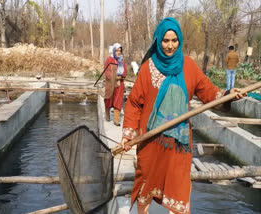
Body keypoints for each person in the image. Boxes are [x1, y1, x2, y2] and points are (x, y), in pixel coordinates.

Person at [120, 17, 244, 214]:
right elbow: (134, 103)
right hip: (151, 141)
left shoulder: (189, 66)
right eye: (165, 41)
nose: (170, 46)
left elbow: (208, 92)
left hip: (179, 145)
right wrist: (128, 134)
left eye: (174, 40)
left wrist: (228, 95)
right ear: (158, 41)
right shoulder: (147, 68)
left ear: (180, 41)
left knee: (179, 190)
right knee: (146, 188)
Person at [104, 43, 127, 126]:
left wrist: (121, 76)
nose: (118, 52)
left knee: (118, 101)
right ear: (114, 51)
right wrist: (113, 77)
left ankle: (116, 120)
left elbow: (125, 71)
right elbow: (107, 71)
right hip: (110, 84)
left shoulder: (121, 60)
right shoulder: (109, 60)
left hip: (119, 84)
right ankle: (107, 115)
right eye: (117, 51)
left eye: (120, 51)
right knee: (108, 100)